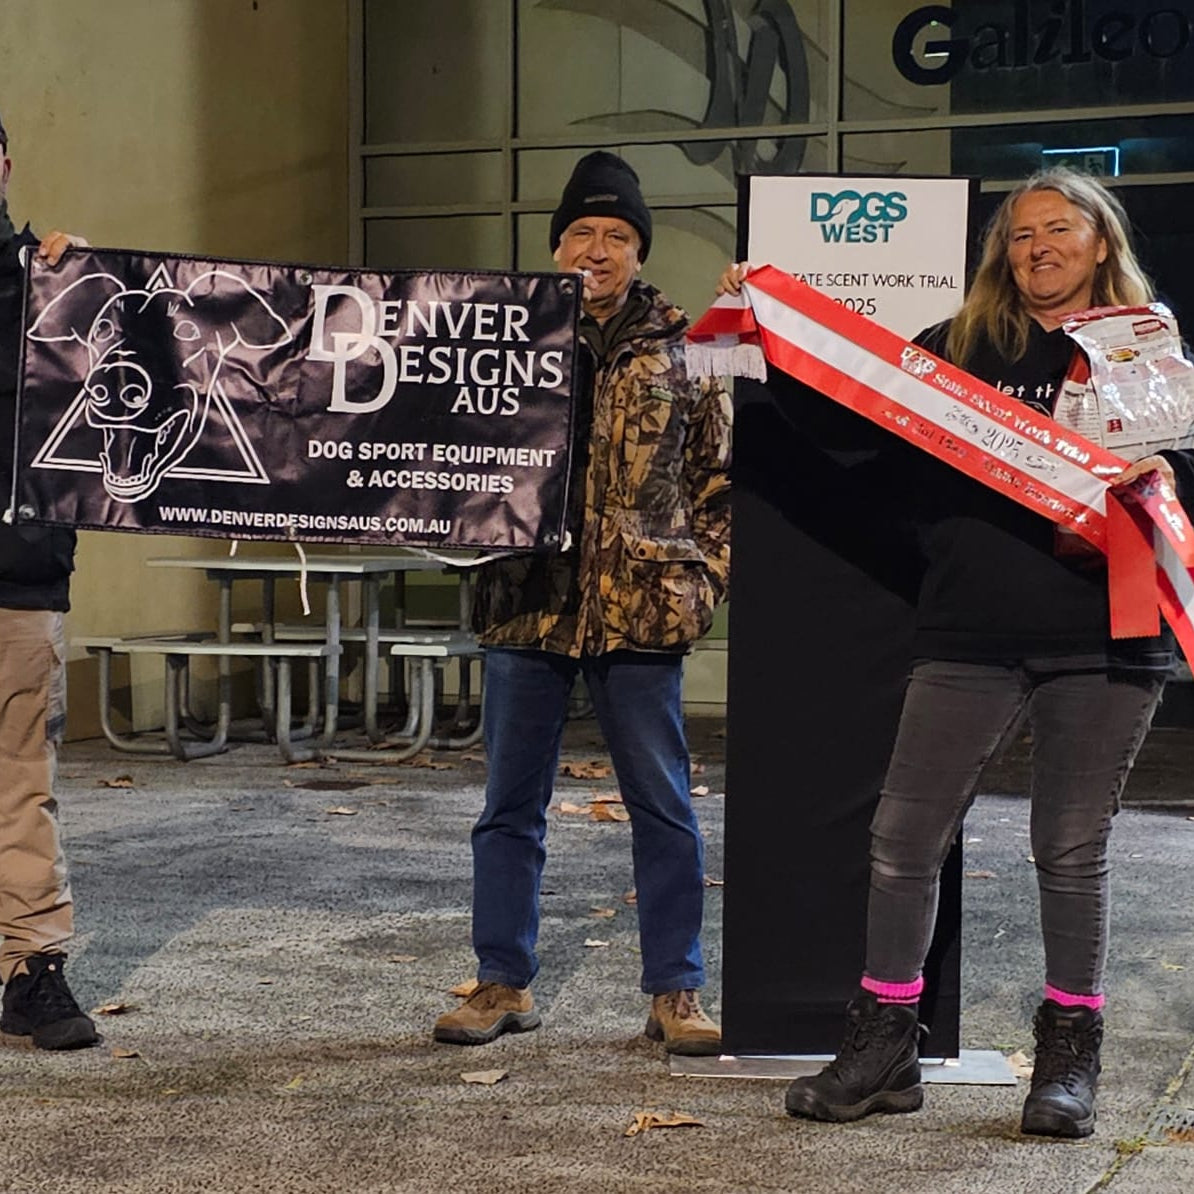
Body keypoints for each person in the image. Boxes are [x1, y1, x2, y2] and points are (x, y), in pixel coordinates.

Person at [720, 167, 1188, 1136]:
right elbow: (856, 429)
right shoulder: (956, 347)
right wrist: (770, 332)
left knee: (1069, 847)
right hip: (968, 630)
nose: (1037, 248)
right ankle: (884, 1049)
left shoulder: (1146, 347)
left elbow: (1185, 471)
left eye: (1059, 230)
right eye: (1020, 235)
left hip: (1106, 632)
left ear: (1101, 242)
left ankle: (1066, 1062)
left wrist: (1164, 474)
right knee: (900, 841)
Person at [433, 151, 732, 1055]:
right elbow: (449, 459)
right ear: (556, 246)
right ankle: (501, 980)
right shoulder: (502, 340)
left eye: (616, 235)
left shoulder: (693, 348)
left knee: (664, 804)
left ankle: (675, 990)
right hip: (527, 602)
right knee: (508, 806)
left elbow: (722, 479)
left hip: (641, 608)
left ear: (639, 251)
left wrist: (703, 574)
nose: (596, 249)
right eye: (580, 234)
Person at [0, 108, 98, 1050]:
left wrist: (109, 285)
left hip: (15, 582)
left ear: (4, 163)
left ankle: (33, 974)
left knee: (20, 785)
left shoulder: (59, 284)